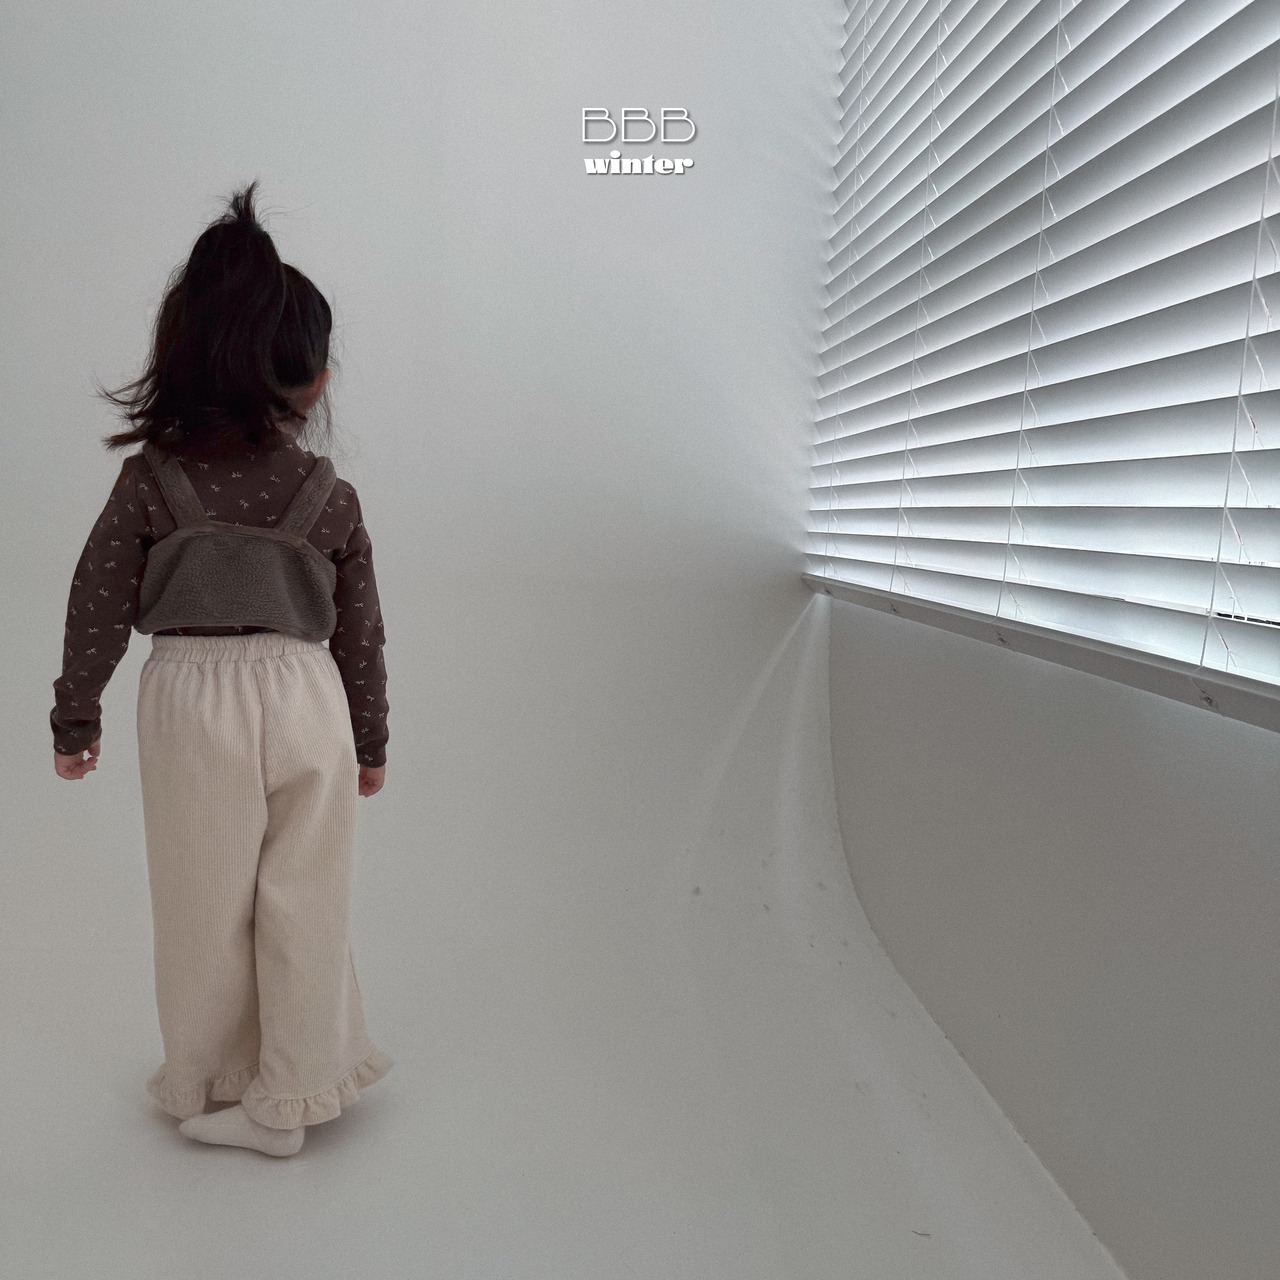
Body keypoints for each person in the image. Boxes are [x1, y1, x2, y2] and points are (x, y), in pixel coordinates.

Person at [49, 180, 393, 1157]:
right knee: (307, 901)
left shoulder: (151, 482)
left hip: (190, 704)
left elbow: (96, 598)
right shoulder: (328, 493)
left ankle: (213, 1083)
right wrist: (370, 741)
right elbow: (360, 631)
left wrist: (77, 717)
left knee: (201, 902)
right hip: (308, 700)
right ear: (311, 380)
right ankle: (296, 1089)